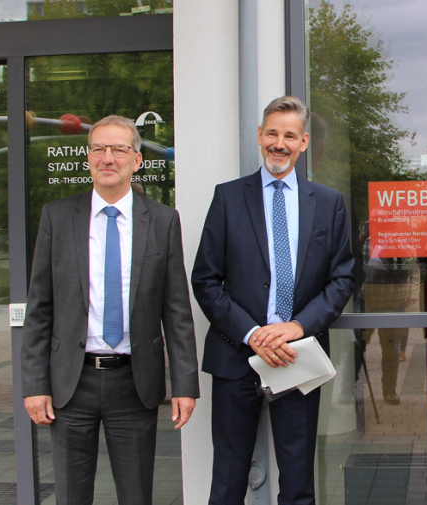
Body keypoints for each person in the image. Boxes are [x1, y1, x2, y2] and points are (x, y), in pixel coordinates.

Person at [22, 115, 200, 505]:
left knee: (136, 495)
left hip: (134, 383)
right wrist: (34, 385)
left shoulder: (162, 221)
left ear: (137, 160)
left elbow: (176, 311)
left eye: (119, 149)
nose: (108, 158)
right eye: (99, 148)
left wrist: (185, 386)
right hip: (70, 383)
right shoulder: (57, 217)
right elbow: (39, 309)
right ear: (88, 158)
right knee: (71, 496)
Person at [192, 95, 355, 505]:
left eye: (289, 136)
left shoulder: (329, 203)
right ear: (259, 136)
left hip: (297, 356)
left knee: (298, 483)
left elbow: (342, 278)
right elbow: (206, 280)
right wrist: (252, 334)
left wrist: (297, 327)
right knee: (227, 481)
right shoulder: (228, 197)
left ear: (303, 142)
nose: (279, 144)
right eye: (272, 134)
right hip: (236, 357)